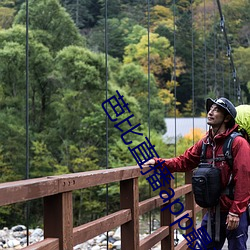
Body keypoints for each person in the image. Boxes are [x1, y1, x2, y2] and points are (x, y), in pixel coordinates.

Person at [142, 97, 250, 250]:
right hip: (213, 210)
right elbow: (184, 161)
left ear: (226, 118)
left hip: (233, 212)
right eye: (210, 109)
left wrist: (236, 212)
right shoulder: (205, 143)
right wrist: (158, 162)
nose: (210, 112)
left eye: (216, 110)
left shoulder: (239, 144)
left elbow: (244, 179)